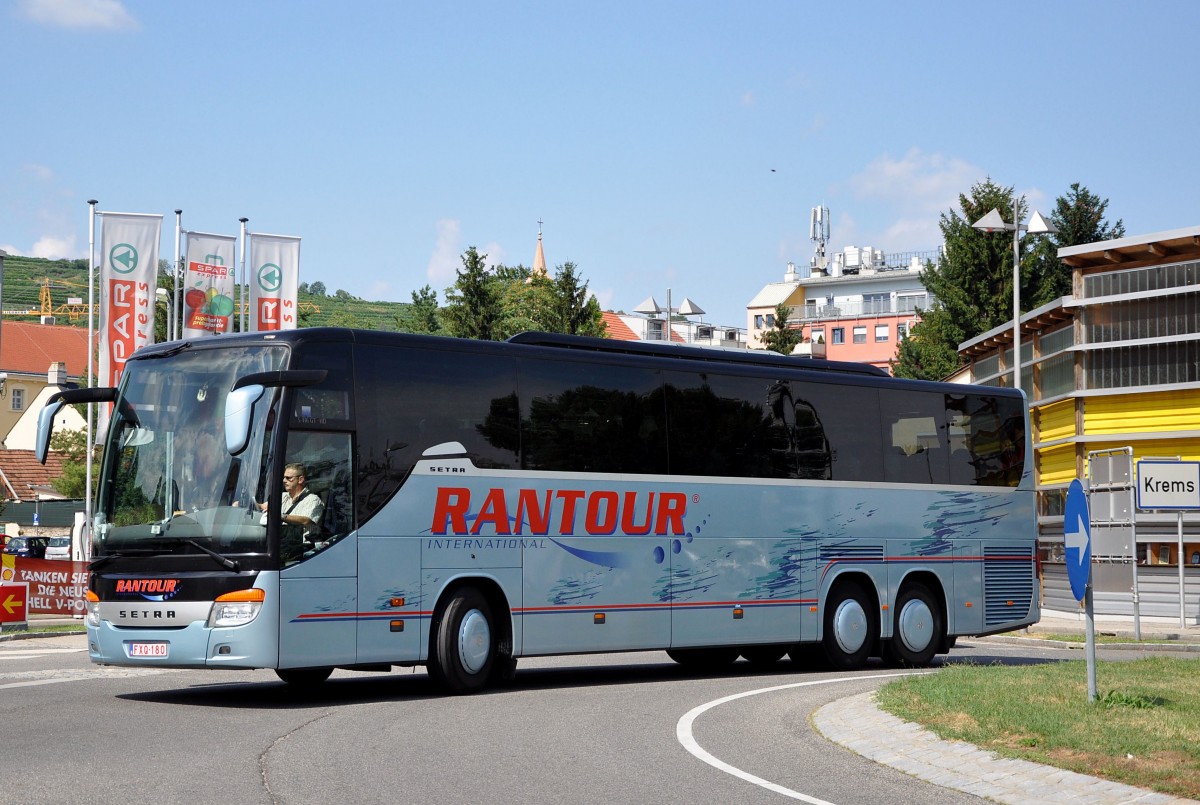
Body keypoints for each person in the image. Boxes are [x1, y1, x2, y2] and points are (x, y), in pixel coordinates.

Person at [259, 462, 324, 564]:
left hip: (302, 551)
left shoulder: (313, 500)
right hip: (280, 547)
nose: (284, 481)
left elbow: (306, 520)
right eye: (284, 477)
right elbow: (263, 506)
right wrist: (250, 504)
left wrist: (279, 516)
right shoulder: (282, 496)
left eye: (289, 478)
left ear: (300, 479)